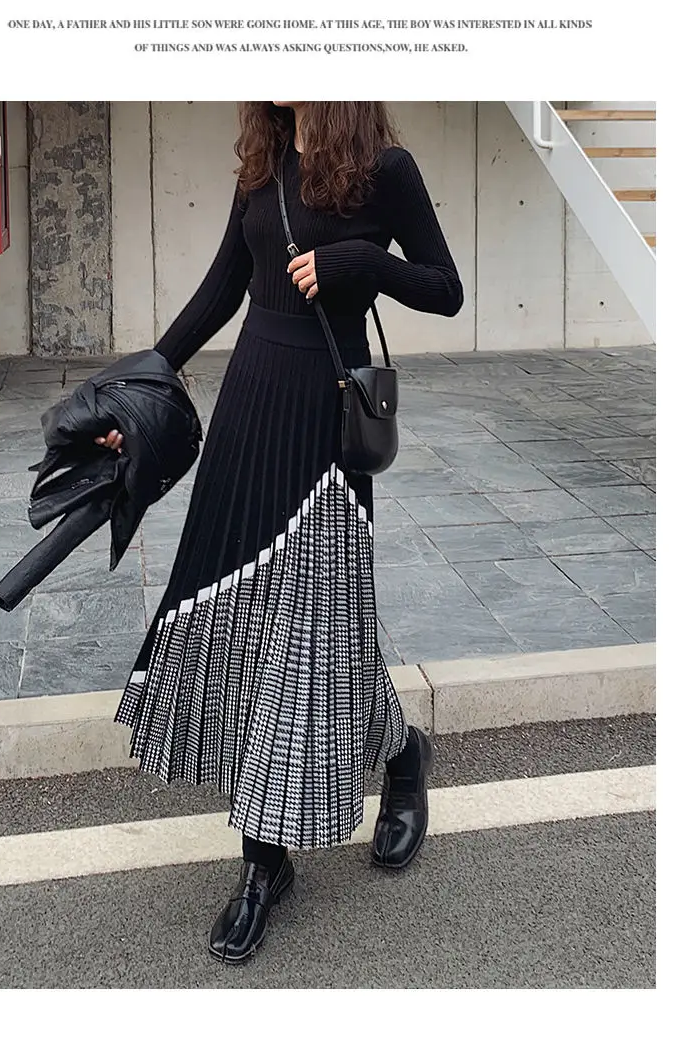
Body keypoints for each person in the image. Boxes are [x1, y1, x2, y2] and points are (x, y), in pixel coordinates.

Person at [96, 102, 464, 964]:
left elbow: (445, 289)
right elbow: (221, 290)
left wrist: (362, 261)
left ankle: (275, 853)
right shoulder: (263, 162)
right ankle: (380, 769)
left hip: (327, 427)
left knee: (315, 630)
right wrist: (139, 387)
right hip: (250, 408)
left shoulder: (387, 169)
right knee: (253, 616)